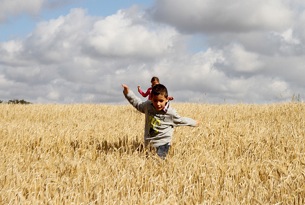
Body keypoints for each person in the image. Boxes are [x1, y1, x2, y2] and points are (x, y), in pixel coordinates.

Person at [122, 83, 199, 159]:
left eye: (161, 101)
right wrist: (128, 93)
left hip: (163, 144)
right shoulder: (148, 106)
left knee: (158, 162)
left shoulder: (170, 113)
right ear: (151, 98)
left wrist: (194, 122)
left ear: (167, 99)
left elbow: (181, 120)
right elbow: (138, 104)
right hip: (149, 143)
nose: (158, 104)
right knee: (149, 164)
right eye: (155, 100)